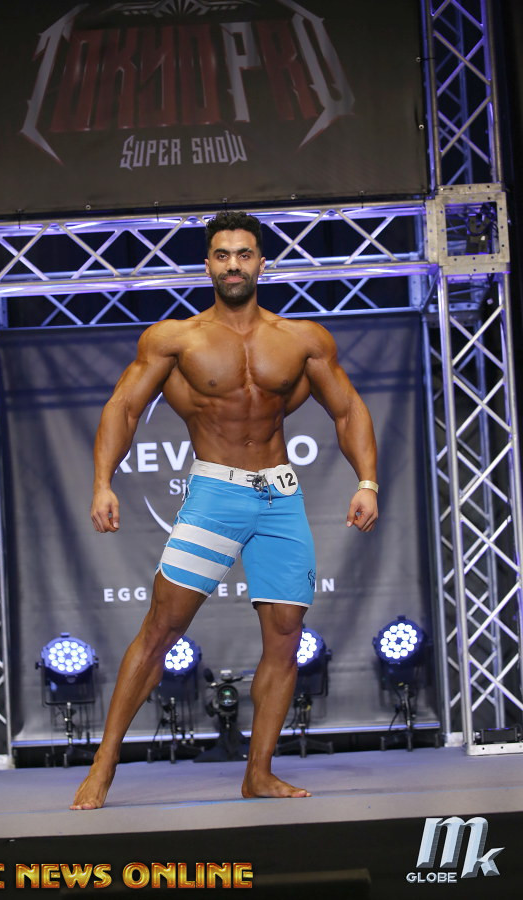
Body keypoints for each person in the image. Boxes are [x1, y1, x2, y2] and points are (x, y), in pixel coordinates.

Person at [71, 210, 378, 809]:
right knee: (162, 630)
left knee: (285, 638)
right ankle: (103, 765)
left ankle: (258, 772)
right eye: (222, 254)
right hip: (216, 493)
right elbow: (123, 408)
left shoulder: (302, 340)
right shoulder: (175, 339)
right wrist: (102, 483)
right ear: (207, 265)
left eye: (243, 254)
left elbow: (348, 410)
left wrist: (366, 481)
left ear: (262, 263)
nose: (233, 264)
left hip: (280, 497)